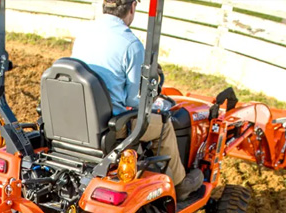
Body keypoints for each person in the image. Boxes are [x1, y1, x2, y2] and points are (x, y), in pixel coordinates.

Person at [71, 0, 202, 199]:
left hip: (80, 117)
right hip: (111, 124)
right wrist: (155, 102)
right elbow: (135, 101)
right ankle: (180, 183)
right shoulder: (131, 44)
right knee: (164, 125)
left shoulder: (84, 34)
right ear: (132, 7)